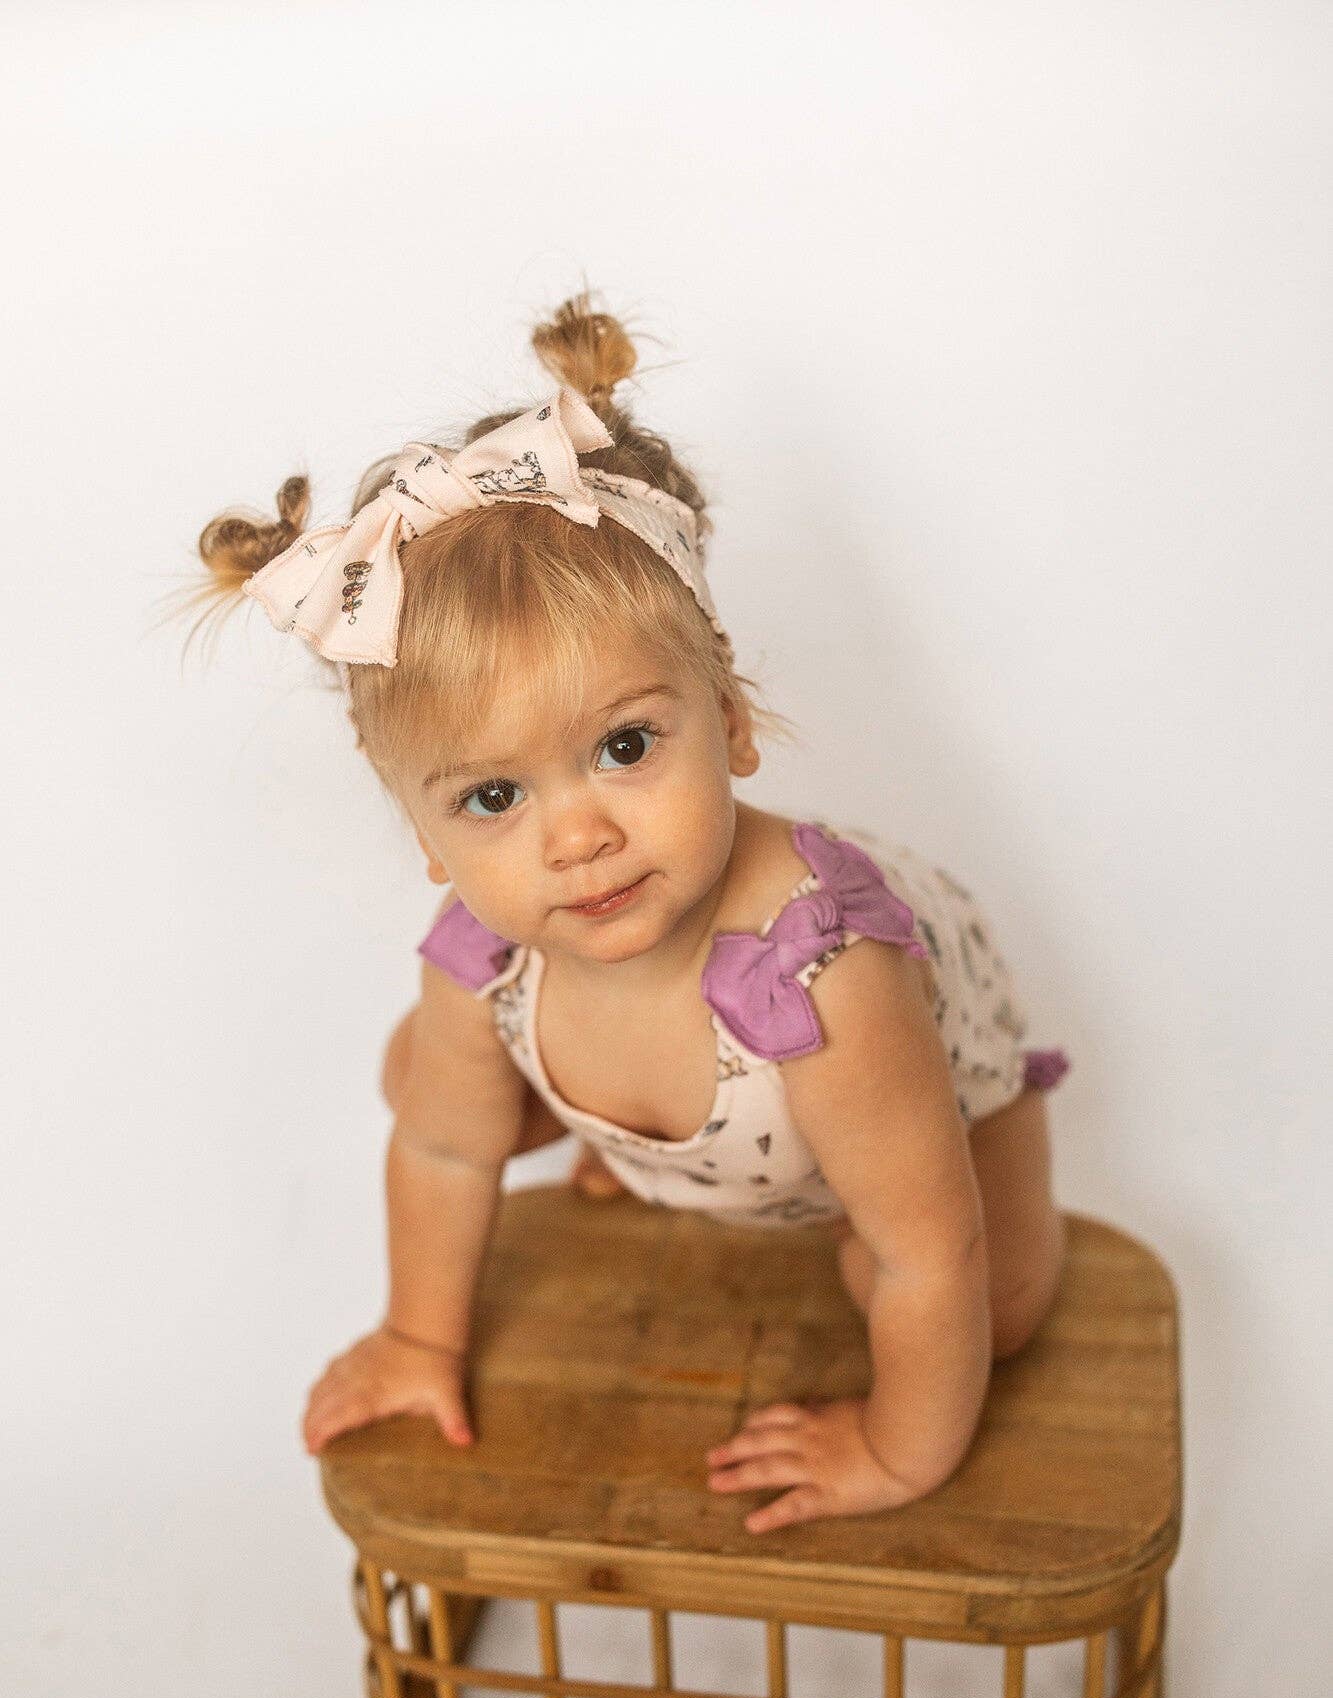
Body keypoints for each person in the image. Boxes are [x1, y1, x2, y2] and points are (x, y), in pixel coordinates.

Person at [185, 290, 1069, 1534]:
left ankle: (682, 1140)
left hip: (919, 1089)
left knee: (959, 1289)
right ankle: (645, 1135)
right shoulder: (487, 947)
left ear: (735, 721)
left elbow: (936, 1256)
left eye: (624, 744)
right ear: (423, 832)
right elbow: (440, 1155)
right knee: (434, 1091)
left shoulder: (824, 980)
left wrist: (895, 1449)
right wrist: (414, 1335)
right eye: (492, 793)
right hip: (695, 1104)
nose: (576, 834)